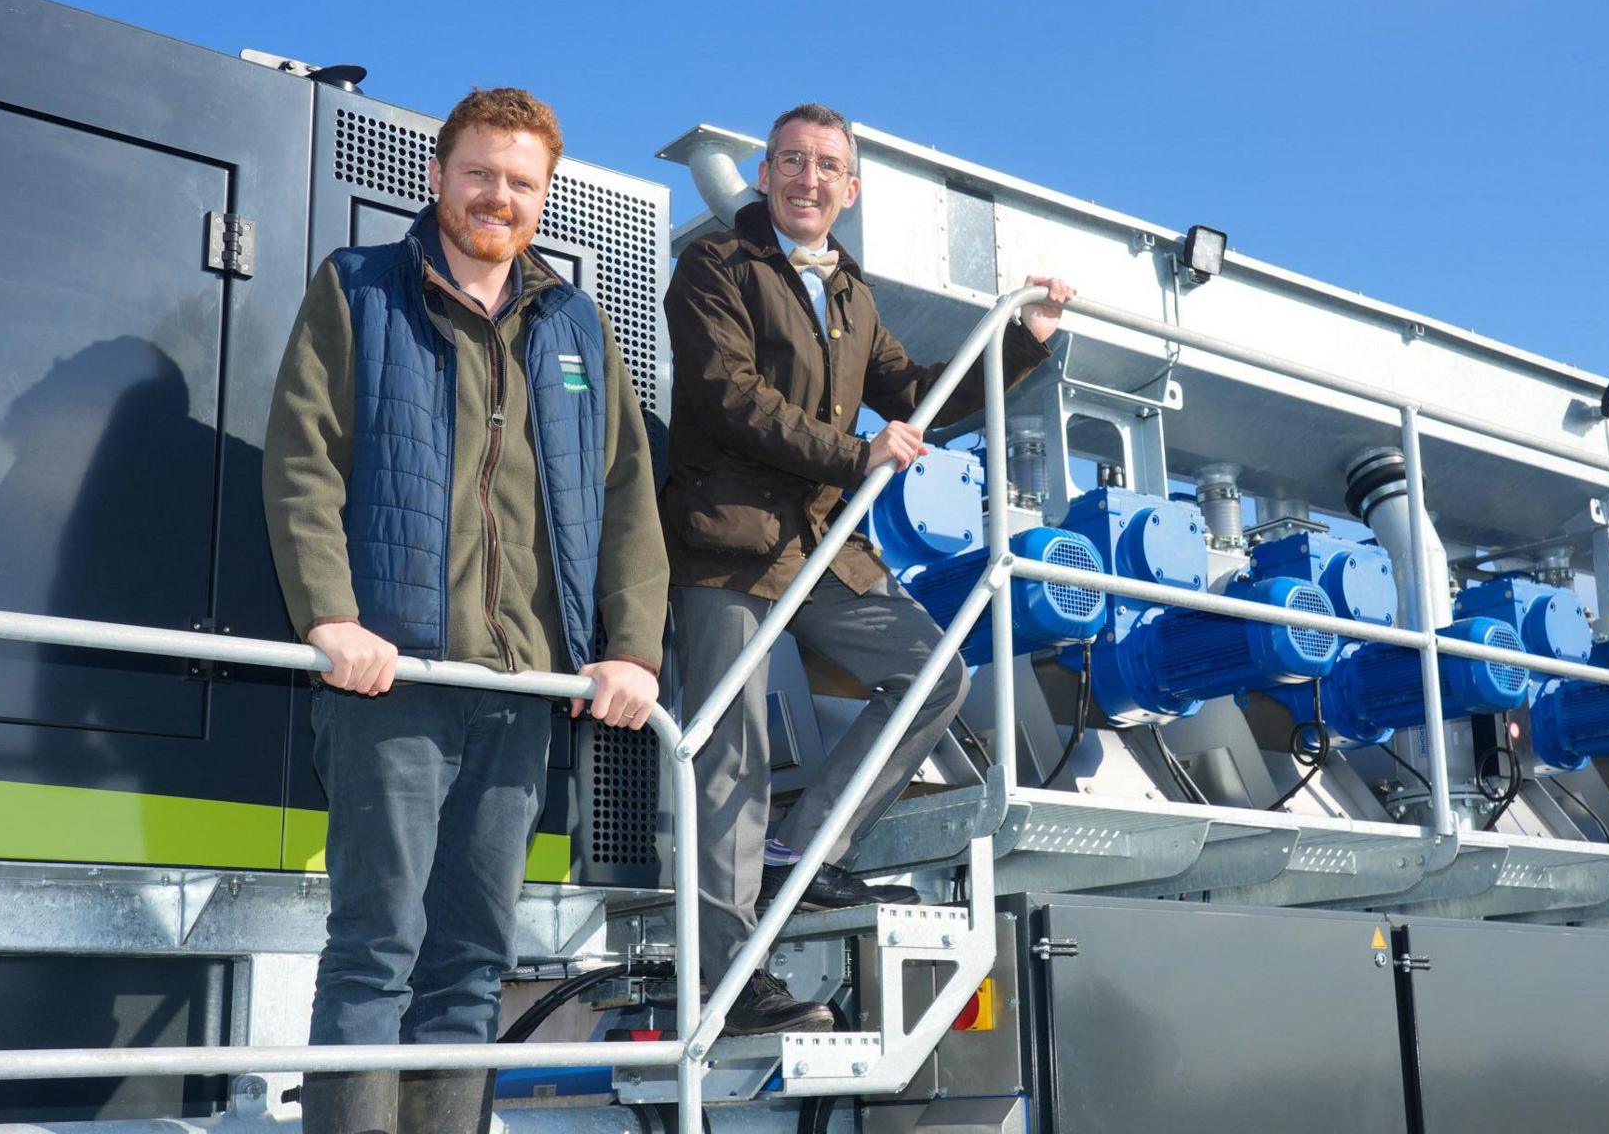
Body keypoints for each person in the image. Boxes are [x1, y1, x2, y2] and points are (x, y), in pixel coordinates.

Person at [262, 87, 668, 1134]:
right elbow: (304, 462)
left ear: (545, 197)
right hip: (389, 681)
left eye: (521, 182)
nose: (499, 195)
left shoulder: (574, 323)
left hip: (521, 692)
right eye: (480, 172)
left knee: (472, 960)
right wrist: (330, 618)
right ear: (437, 175)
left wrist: (630, 649)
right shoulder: (359, 290)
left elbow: (626, 492)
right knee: (375, 947)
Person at [662, 102, 1074, 1035]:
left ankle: (800, 857)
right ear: (765, 175)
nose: (809, 178)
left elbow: (921, 395)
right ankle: (730, 987)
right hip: (727, 540)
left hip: (817, 541)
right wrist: (857, 457)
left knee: (933, 673)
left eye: (828, 167)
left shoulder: (849, 291)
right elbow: (730, 398)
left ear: (850, 191)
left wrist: (1026, 336)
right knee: (732, 760)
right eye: (793, 161)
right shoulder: (716, 267)